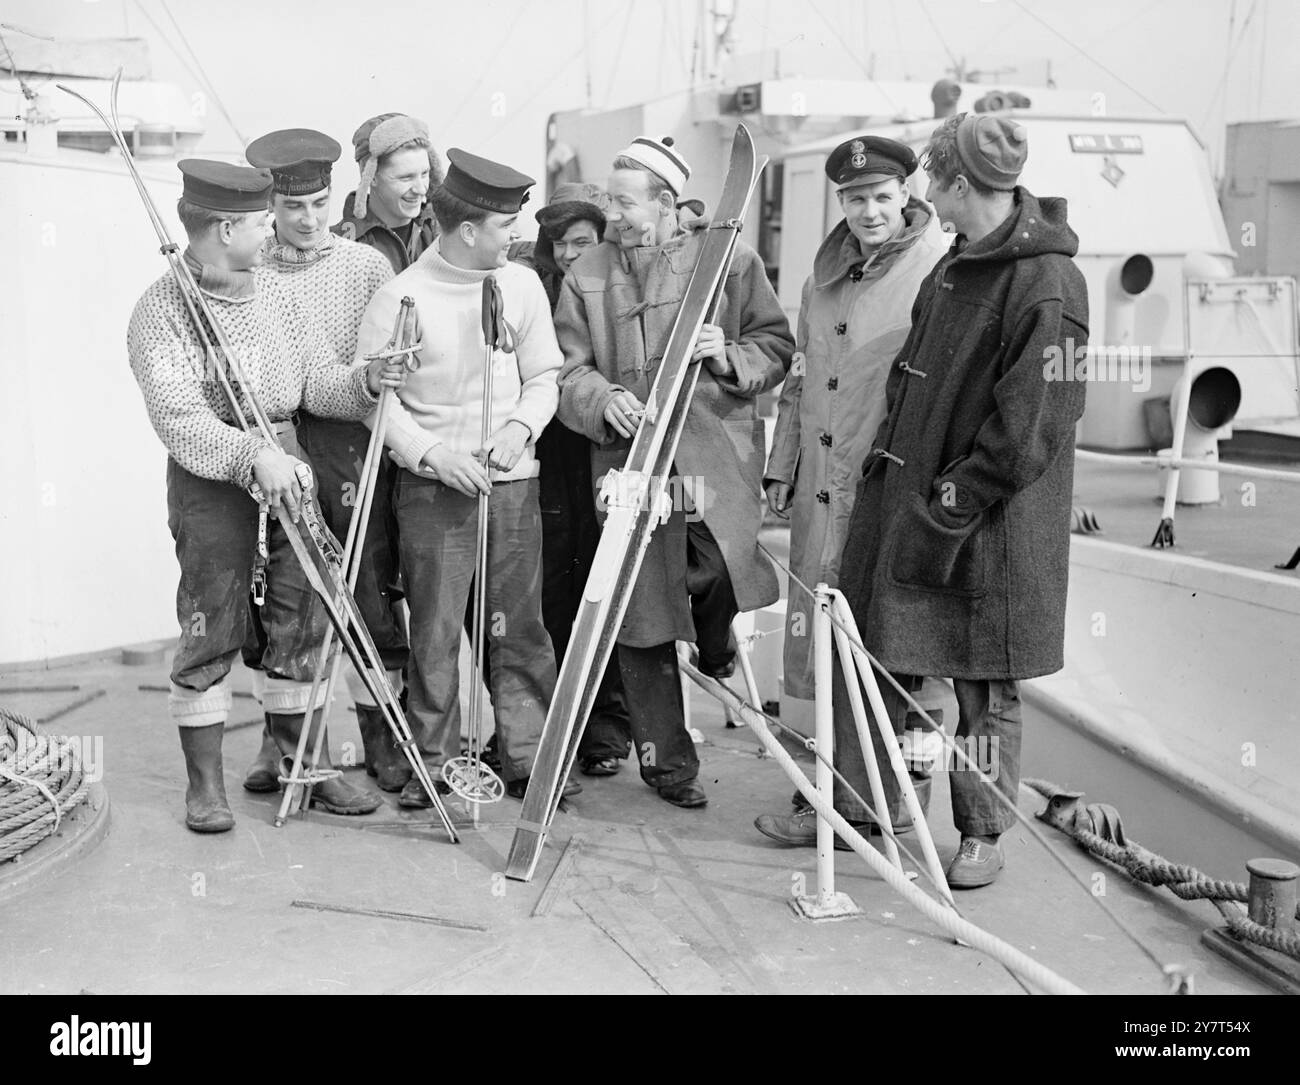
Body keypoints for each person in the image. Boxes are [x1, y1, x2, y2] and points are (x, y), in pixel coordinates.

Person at [834, 113, 1089, 888]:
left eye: (933, 189)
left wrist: (950, 499)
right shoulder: (954, 267)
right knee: (900, 660)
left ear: (959, 184)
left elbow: (1038, 424)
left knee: (983, 682)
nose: (927, 204)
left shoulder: (1050, 284)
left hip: (988, 527)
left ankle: (982, 832)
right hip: (922, 511)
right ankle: (886, 803)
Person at [126, 160, 407, 832]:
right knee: (212, 619)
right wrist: (253, 454)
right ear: (226, 227)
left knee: (301, 611)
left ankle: (300, 763)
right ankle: (205, 787)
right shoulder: (160, 310)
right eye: (260, 221)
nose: (271, 233)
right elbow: (179, 417)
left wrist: (368, 378)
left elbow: (318, 384)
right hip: (212, 480)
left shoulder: (276, 295)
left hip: (291, 466)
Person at [554, 136, 795, 808]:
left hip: (714, 451)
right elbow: (567, 370)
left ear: (666, 203)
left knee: (719, 564)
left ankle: (716, 644)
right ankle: (669, 768)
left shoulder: (728, 259)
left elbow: (776, 345)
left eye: (623, 202)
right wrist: (604, 398)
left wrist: (728, 351)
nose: (612, 213)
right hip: (629, 463)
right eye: (608, 199)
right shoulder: (588, 274)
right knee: (641, 612)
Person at [354, 149, 573, 807]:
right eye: (506, 224)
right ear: (470, 228)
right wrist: (430, 456)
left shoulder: (523, 284)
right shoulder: (400, 297)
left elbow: (545, 376)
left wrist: (519, 429)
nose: (516, 235)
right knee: (437, 632)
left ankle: (529, 759)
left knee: (519, 627)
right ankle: (430, 764)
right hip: (433, 491)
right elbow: (374, 400)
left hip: (512, 485)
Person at [754, 135, 949, 847]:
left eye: (881, 197)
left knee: (883, 641)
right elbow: (802, 375)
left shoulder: (936, 273)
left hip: (886, 490)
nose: (868, 211)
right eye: (855, 198)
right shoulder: (820, 280)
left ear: (907, 197)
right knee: (815, 642)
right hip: (818, 494)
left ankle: (882, 805)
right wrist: (782, 465)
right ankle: (827, 796)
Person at [243, 128, 409, 794]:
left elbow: (393, 351)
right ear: (271, 210)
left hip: (348, 441)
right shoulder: (250, 268)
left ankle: (381, 732)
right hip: (274, 440)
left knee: (363, 585)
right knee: (275, 598)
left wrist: (379, 375)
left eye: (317, 204)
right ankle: (278, 743)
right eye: (292, 208)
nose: (308, 220)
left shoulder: (366, 266)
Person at [520, 183, 632, 777]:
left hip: (602, 452)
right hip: (547, 457)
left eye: (581, 241)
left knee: (604, 581)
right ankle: (552, 726)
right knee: (551, 592)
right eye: (558, 242)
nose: (568, 253)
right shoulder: (531, 284)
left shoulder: (615, 281)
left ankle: (607, 730)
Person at [333, 112, 440, 273]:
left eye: (424, 174)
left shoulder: (445, 232)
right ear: (371, 176)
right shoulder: (338, 249)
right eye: (406, 177)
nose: (420, 189)